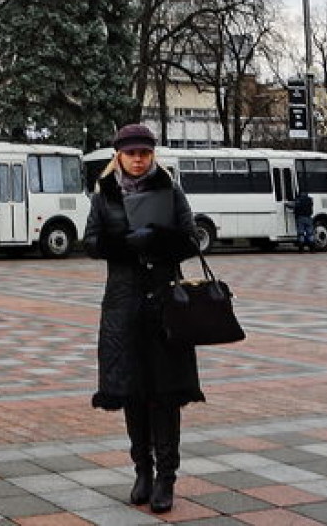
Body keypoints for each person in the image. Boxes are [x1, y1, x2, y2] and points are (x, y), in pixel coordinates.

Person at [85, 123, 202, 513]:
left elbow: (191, 239)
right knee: (133, 392)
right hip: (123, 305)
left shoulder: (171, 191)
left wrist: (158, 239)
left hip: (165, 302)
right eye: (131, 153)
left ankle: (167, 477)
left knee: (165, 393)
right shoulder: (104, 195)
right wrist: (123, 244)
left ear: (153, 155)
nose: (138, 159)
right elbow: (91, 242)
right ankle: (143, 472)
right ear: (117, 155)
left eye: (144, 153)